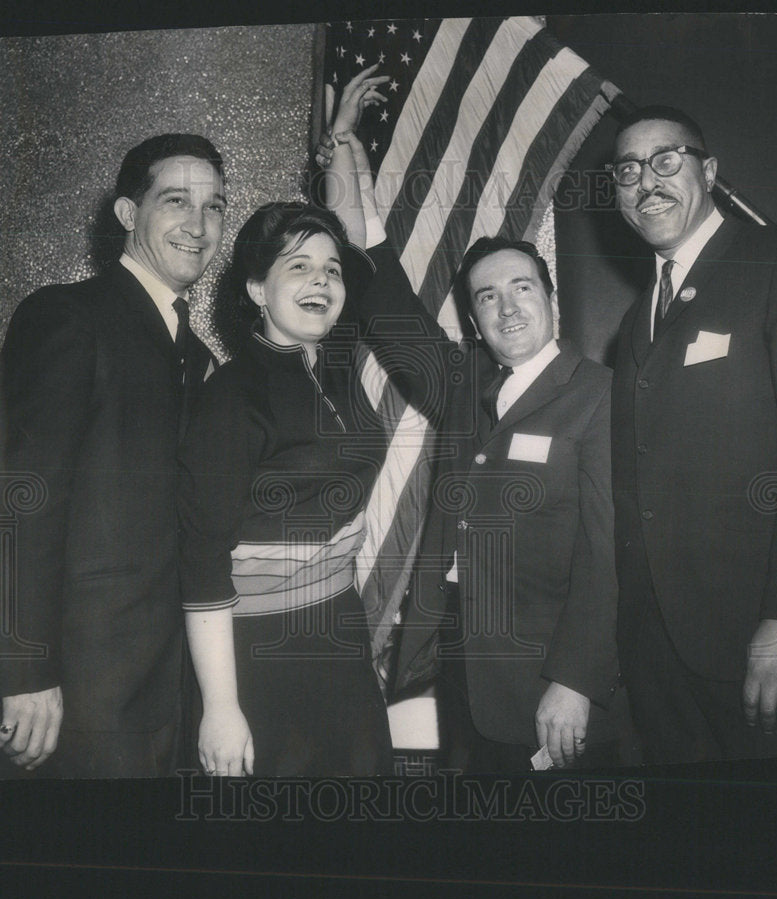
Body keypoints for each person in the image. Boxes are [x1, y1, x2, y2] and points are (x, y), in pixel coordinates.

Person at [317, 69, 622, 771]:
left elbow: (609, 559)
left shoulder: (602, 394)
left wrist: (575, 682)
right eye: (488, 298)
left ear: (550, 299)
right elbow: (378, 287)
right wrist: (342, 147)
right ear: (473, 322)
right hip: (450, 671)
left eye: (522, 288)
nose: (508, 307)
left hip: (548, 688)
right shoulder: (462, 385)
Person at [0, 134, 226, 777]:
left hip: (171, 689)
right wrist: (24, 669)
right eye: (175, 200)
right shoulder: (66, 317)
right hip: (79, 687)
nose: (197, 224)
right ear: (128, 214)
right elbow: (20, 499)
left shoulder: (200, 356)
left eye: (214, 207)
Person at [177, 201, 408, 777]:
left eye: (332, 270)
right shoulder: (233, 395)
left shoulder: (338, 373)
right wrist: (222, 707)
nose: (321, 282)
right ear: (258, 288)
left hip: (341, 634)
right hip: (261, 655)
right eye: (298, 266)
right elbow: (202, 556)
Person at [608, 105, 777, 763]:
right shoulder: (636, 321)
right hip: (657, 657)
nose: (646, 182)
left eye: (666, 160)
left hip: (756, 642)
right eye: (628, 170)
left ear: (708, 170)